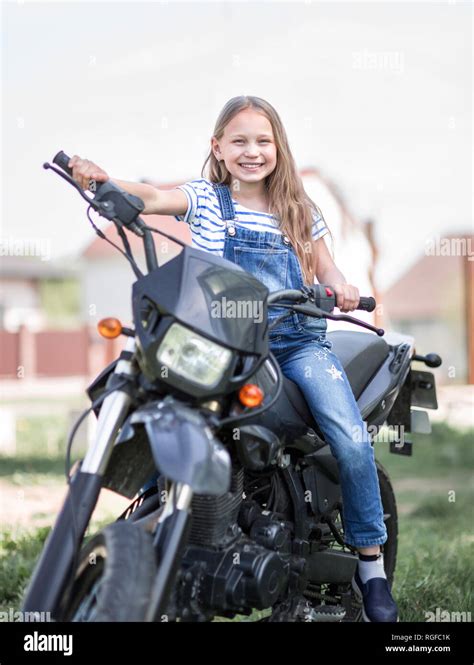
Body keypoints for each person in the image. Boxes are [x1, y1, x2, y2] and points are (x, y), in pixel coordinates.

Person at [69, 95, 398, 622]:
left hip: (295, 344)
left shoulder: (298, 210)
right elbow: (151, 195)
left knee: (352, 440)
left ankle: (370, 564)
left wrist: (342, 289)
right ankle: (158, 517)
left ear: (278, 148)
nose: (252, 151)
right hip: (222, 341)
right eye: (239, 141)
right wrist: (102, 180)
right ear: (217, 148)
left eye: (263, 141)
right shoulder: (203, 198)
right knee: (164, 404)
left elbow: (327, 269)